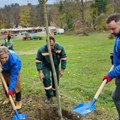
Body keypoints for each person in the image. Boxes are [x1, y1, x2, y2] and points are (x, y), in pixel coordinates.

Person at [35, 36, 67, 104]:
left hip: (55, 65)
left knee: (56, 78)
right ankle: (49, 96)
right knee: (46, 78)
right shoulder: (41, 49)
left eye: (52, 45)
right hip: (45, 65)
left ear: (54, 43)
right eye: (49, 45)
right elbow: (38, 61)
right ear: (46, 43)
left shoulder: (60, 48)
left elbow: (64, 58)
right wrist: (40, 72)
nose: (50, 47)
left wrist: (62, 70)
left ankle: (55, 94)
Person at [103, 13, 120, 120]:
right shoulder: (118, 37)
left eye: (113, 28)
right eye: (110, 29)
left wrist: (111, 74)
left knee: (116, 97)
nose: (111, 31)